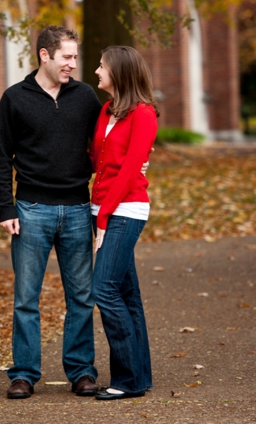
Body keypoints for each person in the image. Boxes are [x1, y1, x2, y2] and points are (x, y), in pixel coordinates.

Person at [0, 25, 101, 399]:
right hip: (31, 210)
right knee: (26, 298)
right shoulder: (14, 98)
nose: (73, 64)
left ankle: (82, 371)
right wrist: (5, 207)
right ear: (45, 55)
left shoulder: (85, 97)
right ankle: (23, 374)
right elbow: (0, 156)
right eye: (67, 57)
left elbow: (106, 140)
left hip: (76, 209)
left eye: (75, 57)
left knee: (81, 298)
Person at [89, 45, 158, 400]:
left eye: (102, 66)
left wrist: (103, 217)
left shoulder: (144, 114)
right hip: (102, 207)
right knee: (127, 294)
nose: (96, 70)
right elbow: (97, 160)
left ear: (119, 72)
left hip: (126, 210)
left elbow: (130, 170)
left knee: (104, 289)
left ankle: (127, 379)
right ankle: (138, 377)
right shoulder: (106, 110)